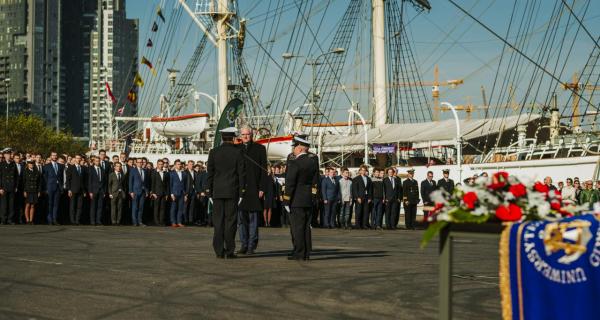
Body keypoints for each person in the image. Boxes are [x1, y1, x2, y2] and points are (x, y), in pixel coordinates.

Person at [207, 127, 246, 259]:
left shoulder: (214, 152)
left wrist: (209, 192)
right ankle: (229, 250)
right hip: (232, 191)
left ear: (222, 138)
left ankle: (218, 250)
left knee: (218, 222)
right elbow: (241, 174)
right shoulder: (238, 153)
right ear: (233, 138)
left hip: (217, 191)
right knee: (231, 222)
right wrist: (241, 192)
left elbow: (210, 174)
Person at [282, 136, 319, 261]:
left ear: (299, 148)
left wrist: (286, 199)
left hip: (296, 199)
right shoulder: (313, 162)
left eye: (294, 147)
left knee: (297, 227)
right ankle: (306, 252)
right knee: (306, 227)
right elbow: (315, 181)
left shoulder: (295, 163)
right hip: (307, 198)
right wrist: (313, 195)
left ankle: (299, 252)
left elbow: (290, 183)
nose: (293, 150)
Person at [237, 126, 268, 255]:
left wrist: (262, 187)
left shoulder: (259, 149)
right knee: (241, 220)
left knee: (253, 220)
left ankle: (251, 245)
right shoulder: (236, 149)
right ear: (240, 135)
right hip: (240, 190)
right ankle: (244, 244)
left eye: (248, 134)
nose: (245, 136)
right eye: (243, 134)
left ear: (252, 135)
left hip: (254, 188)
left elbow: (263, 170)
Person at [43, 151, 64, 225]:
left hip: (58, 188)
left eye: (55, 155)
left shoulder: (60, 166)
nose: (54, 156)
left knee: (56, 204)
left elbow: (61, 178)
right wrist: (46, 188)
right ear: (51, 156)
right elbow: (45, 178)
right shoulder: (46, 166)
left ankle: (55, 219)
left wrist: (61, 187)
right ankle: (50, 220)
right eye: (53, 155)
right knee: (50, 204)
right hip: (50, 187)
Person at [66, 154, 86, 225]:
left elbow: (84, 181)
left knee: (79, 206)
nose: (78, 160)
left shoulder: (83, 168)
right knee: (72, 206)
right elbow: (68, 180)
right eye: (77, 158)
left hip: (81, 190)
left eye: (79, 158)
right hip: (73, 189)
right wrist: (69, 189)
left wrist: (84, 191)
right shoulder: (70, 167)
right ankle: (72, 220)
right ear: (75, 159)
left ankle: (77, 220)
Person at [0, 150, 18, 225]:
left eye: (9, 154)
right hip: (4, 186)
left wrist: (16, 186)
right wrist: (0, 187)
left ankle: (10, 219)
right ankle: (3, 219)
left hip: (12, 186)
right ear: (4, 156)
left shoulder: (13, 164)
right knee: (4, 204)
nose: (8, 156)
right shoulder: (1, 164)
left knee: (11, 204)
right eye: (6, 154)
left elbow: (16, 176)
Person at [129, 158, 149, 226]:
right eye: (139, 162)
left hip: (143, 192)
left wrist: (146, 191)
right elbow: (130, 181)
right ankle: (134, 222)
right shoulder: (133, 170)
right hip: (135, 191)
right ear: (136, 163)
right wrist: (131, 191)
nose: (140, 163)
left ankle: (140, 221)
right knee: (135, 207)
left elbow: (145, 182)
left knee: (141, 207)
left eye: (141, 162)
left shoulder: (144, 170)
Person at [352, 165, 372, 229]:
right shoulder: (356, 179)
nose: (363, 171)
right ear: (360, 171)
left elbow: (370, 189)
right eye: (362, 170)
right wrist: (357, 197)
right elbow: (355, 189)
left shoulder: (368, 179)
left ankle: (364, 225)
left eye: (364, 170)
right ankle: (358, 225)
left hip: (366, 197)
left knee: (366, 212)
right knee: (359, 212)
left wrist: (369, 197)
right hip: (359, 197)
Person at [150, 159, 169, 226]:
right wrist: (153, 193)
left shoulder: (165, 173)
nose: (161, 166)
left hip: (163, 193)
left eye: (161, 164)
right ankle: (156, 221)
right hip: (156, 193)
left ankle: (161, 221)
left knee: (162, 208)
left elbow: (167, 184)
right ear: (157, 165)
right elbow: (152, 183)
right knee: (156, 208)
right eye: (159, 164)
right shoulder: (154, 172)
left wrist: (167, 194)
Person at [87, 156, 105, 226]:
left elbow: (104, 181)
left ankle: (98, 220)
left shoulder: (102, 169)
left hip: (101, 191)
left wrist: (103, 191)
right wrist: (90, 191)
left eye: (98, 161)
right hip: (94, 190)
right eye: (96, 161)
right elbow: (89, 181)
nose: (98, 162)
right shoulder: (90, 169)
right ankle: (92, 221)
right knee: (93, 206)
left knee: (100, 207)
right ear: (94, 161)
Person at [169, 160, 188, 228]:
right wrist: (171, 194)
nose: (179, 165)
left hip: (182, 193)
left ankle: (179, 222)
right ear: (175, 165)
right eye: (178, 164)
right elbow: (170, 184)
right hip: (174, 193)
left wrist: (185, 194)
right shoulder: (171, 173)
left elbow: (185, 185)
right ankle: (173, 222)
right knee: (173, 208)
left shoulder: (184, 173)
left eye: (180, 164)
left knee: (180, 208)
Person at [22, 160, 41, 224]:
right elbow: (23, 182)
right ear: (28, 165)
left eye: (32, 164)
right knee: (27, 205)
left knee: (33, 205)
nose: (31, 165)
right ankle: (27, 220)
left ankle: (31, 219)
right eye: (30, 164)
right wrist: (24, 191)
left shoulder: (37, 172)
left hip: (34, 190)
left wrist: (39, 191)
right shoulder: (25, 171)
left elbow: (39, 183)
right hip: (28, 190)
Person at [184, 160, 197, 225]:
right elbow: (183, 183)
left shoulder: (195, 172)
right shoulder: (185, 172)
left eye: (192, 164)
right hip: (187, 192)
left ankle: (191, 220)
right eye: (190, 164)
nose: (191, 165)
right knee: (186, 206)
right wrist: (185, 193)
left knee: (192, 207)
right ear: (188, 165)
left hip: (193, 192)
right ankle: (185, 220)